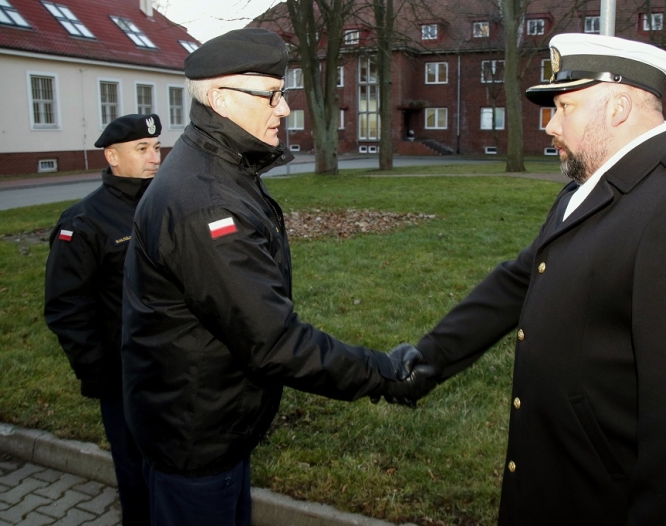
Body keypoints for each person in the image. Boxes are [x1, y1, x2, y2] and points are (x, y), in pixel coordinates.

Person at [412, 33, 666, 525]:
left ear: (617, 107)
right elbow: (517, 282)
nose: (550, 125)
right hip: (559, 484)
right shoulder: (589, 189)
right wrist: (424, 362)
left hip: (612, 502)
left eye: (565, 107)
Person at [121, 28, 432, 526]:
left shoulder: (216, 170)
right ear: (220, 99)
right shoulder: (208, 201)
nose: (284, 109)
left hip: (205, 423)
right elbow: (273, 342)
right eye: (270, 94)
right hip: (196, 437)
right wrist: (385, 374)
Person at [44, 113, 162, 525]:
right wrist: (99, 374)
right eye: (142, 149)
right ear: (112, 156)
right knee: (135, 476)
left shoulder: (163, 205)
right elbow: (66, 308)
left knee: (170, 473)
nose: (155, 157)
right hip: (124, 376)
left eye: (157, 147)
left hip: (172, 368)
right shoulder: (85, 221)